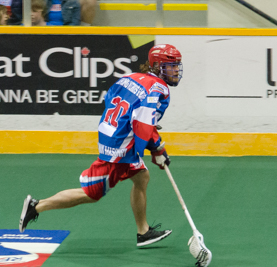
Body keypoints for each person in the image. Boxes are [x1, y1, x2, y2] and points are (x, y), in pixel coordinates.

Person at [19, 44, 183, 247]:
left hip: (111, 136)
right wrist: (157, 148)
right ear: (158, 66)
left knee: (142, 176)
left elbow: (114, 101)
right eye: (171, 66)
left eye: (177, 66)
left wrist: (152, 142)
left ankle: (143, 232)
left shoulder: (130, 77)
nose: (176, 70)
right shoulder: (159, 89)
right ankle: (37, 206)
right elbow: (143, 123)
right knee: (91, 194)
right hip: (120, 149)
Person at [7, 0, 80, 25]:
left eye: (34, 11)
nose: (31, 14)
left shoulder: (72, 2)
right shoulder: (43, 1)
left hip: (63, 33)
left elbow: (75, 23)